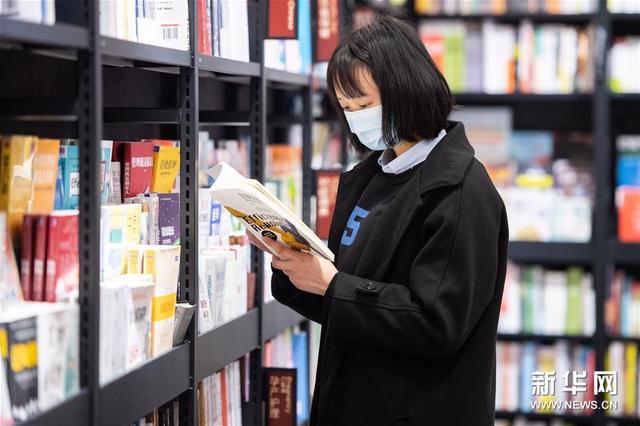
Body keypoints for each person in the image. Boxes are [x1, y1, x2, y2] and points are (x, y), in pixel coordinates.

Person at [248, 14, 509, 426]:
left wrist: (332, 284)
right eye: (347, 108)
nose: (356, 118)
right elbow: (350, 302)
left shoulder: (460, 192)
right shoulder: (370, 177)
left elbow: (437, 323)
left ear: (407, 89)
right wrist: (295, 265)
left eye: (365, 105)